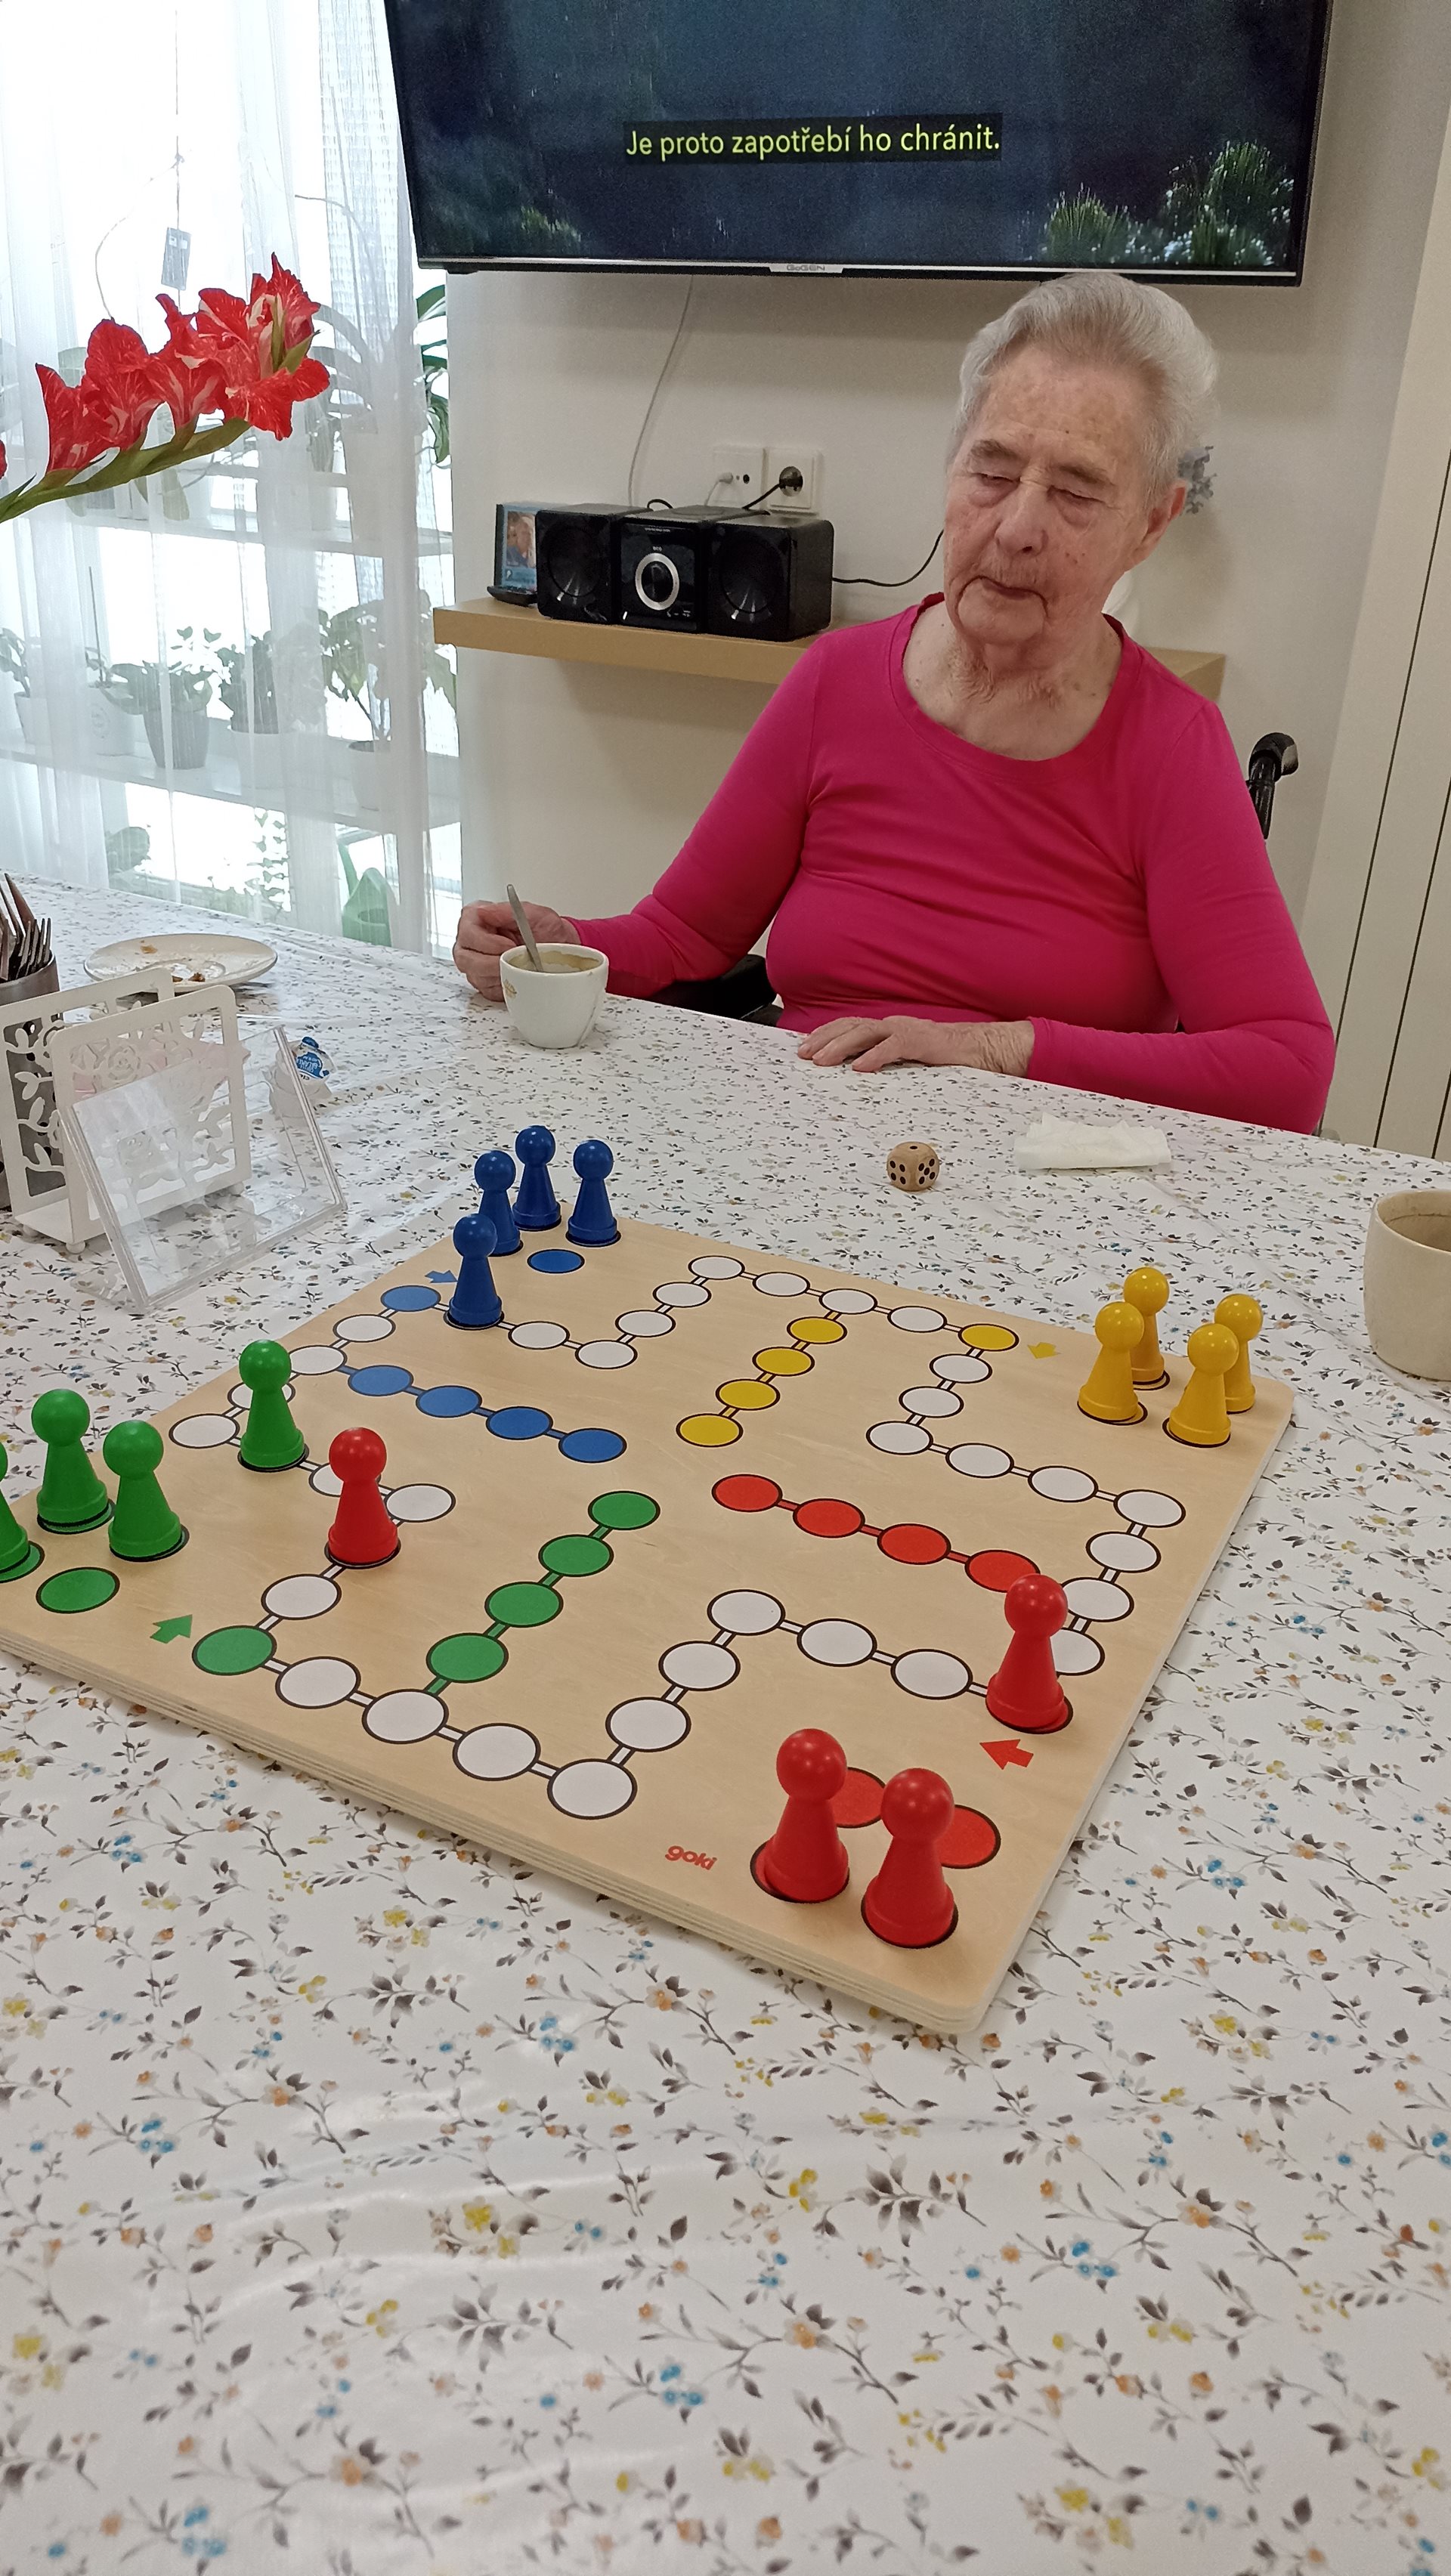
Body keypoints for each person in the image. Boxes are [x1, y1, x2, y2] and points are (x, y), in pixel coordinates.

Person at [454, 272, 1333, 1133]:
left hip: (1037, 1180)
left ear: (1150, 523)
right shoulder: (836, 681)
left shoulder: (1170, 744)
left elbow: (1286, 1071)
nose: (1017, 528)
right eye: (992, 471)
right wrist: (562, 945)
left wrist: (997, 1048)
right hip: (801, 1144)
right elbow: (684, 934)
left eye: (1075, 492)